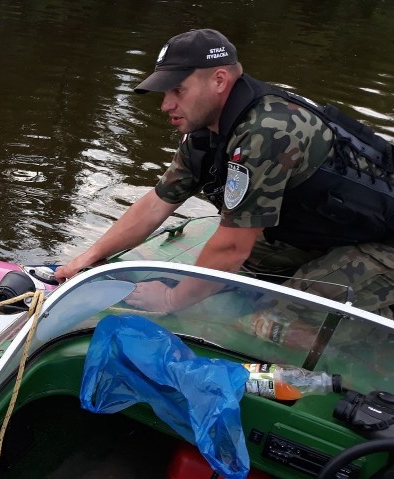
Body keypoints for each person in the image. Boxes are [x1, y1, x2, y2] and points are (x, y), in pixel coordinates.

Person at [54, 28, 394, 321]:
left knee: (274, 324)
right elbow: (158, 202)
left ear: (219, 80)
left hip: (382, 242)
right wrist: (89, 256)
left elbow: (231, 249)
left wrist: (172, 300)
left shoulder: (268, 131)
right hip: (324, 229)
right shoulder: (207, 132)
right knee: (235, 287)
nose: (165, 105)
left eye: (178, 90)